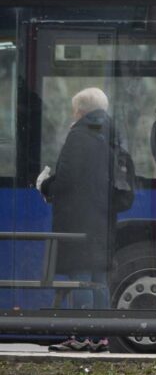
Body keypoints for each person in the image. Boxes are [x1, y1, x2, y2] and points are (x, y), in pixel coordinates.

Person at [38, 87, 113, 353]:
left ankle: (81, 336)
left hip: (78, 220)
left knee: (81, 278)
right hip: (102, 220)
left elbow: (67, 180)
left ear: (81, 111)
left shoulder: (78, 136)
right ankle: (102, 337)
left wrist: (45, 185)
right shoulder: (110, 135)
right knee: (98, 280)